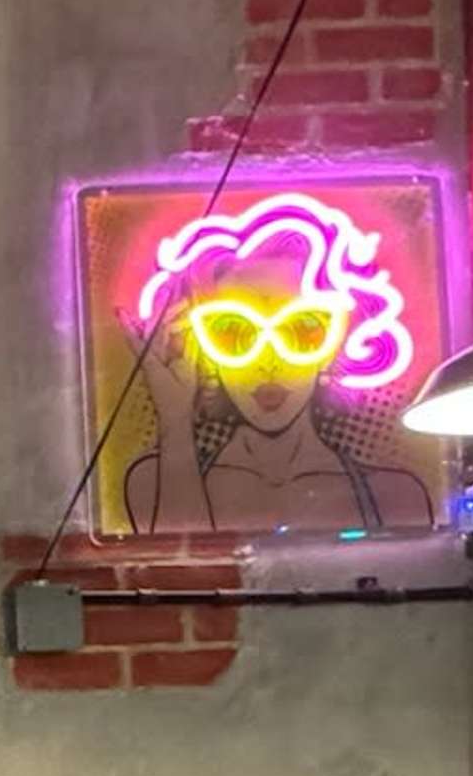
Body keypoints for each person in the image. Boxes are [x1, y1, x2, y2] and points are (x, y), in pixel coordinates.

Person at [119, 189, 436, 537]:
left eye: (302, 328)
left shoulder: (395, 496)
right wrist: (175, 420)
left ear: (337, 342)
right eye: (233, 331)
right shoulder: (150, 482)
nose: (268, 362)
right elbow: (183, 575)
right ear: (199, 347)